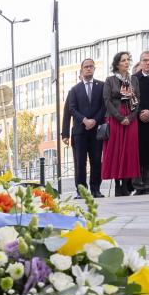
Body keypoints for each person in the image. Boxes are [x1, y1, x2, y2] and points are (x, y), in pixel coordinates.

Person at [66, 57, 106, 197]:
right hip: (80, 132)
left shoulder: (101, 86)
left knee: (96, 161)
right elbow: (72, 108)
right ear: (81, 70)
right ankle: (81, 191)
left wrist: (94, 120)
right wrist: (84, 120)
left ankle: (96, 189)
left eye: (91, 66)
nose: (89, 68)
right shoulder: (74, 90)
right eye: (86, 67)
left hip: (96, 131)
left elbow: (104, 106)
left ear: (94, 69)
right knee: (80, 163)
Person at [102, 51, 141, 196]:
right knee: (116, 150)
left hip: (130, 118)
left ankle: (126, 183)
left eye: (128, 60)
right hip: (115, 118)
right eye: (123, 60)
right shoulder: (110, 80)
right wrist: (119, 117)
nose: (126, 62)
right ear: (117, 64)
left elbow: (137, 100)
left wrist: (130, 118)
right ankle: (118, 183)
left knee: (129, 151)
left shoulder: (134, 80)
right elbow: (107, 101)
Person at [132, 50, 149, 195]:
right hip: (137, 121)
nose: (147, 62)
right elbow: (130, 99)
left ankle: (148, 185)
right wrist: (140, 112)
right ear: (140, 62)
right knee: (137, 153)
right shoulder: (132, 79)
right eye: (144, 60)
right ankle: (138, 185)